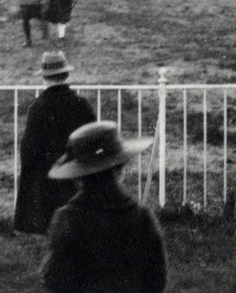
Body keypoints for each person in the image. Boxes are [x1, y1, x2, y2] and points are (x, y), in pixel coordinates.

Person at [41, 121, 167, 293]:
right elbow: (157, 279)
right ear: (120, 166)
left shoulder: (68, 219)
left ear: (78, 175)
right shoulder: (142, 216)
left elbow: (55, 281)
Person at [13, 52, 97, 234]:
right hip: (77, 171)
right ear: (66, 75)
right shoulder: (81, 103)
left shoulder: (38, 107)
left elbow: (29, 149)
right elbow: (93, 138)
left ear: (44, 77)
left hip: (47, 176)